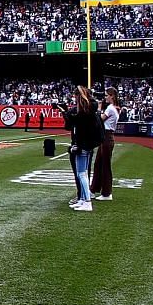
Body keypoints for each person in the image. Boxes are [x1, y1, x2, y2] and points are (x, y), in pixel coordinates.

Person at [66, 85, 102, 213]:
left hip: (84, 145)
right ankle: (82, 199)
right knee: (82, 173)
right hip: (87, 144)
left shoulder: (85, 113)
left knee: (82, 174)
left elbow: (80, 128)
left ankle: (87, 201)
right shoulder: (89, 110)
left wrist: (78, 145)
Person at [95, 89, 120, 201]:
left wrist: (99, 108)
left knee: (104, 165)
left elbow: (99, 120)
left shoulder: (110, 108)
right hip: (105, 137)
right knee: (98, 163)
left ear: (112, 96)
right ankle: (94, 189)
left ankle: (106, 193)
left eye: (106, 96)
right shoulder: (113, 108)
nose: (105, 97)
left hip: (107, 136)